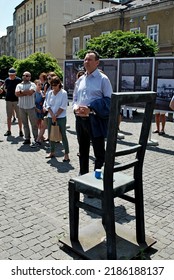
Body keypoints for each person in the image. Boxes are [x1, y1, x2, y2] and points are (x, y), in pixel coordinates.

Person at [72, 50, 113, 175]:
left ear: (97, 62)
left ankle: (97, 176)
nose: (86, 62)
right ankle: (83, 174)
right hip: (80, 119)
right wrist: (75, 108)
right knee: (83, 150)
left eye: (89, 59)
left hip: (95, 120)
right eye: (85, 59)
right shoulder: (80, 80)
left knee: (99, 151)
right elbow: (75, 99)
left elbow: (109, 100)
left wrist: (91, 108)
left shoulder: (103, 79)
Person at [43, 76, 70, 161]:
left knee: (63, 135)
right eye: (52, 85)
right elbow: (47, 104)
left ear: (59, 84)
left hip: (61, 117)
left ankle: (66, 154)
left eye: (55, 85)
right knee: (51, 135)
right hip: (51, 116)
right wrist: (51, 114)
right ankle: (52, 152)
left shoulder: (63, 93)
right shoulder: (50, 92)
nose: (53, 87)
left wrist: (56, 115)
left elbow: (63, 106)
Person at [15, 71, 38, 144]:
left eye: (27, 75)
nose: (25, 76)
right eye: (24, 75)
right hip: (21, 107)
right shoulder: (19, 85)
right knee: (25, 124)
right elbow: (17, 94)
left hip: (31, 107)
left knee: (34, 124)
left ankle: (36, 138)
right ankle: (27, 138)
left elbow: (31, 92)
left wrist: (21, 92)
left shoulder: (33, 84)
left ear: (30, 77)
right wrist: (25, 92)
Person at [3, 68, 23, 137]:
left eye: (12, 75)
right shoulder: (7, 80)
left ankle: (20, 131)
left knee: (19, 117)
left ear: (15, 74)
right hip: (8, 100)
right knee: (9, 117)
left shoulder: (19, 80)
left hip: (17, 100)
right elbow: (5, 88)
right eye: (10, 75)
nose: (11, 76)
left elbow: (21, 89)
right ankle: (9, 130)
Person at [31, 79, 45, 147]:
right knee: (37, 124)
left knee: (41, 124)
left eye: (41, 84)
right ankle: (38, 137)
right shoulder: (34, 93)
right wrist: (36, 109)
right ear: (35, 85)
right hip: (36, 111)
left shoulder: (42, 92)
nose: (40, 86)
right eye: (38, 85)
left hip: (42, 111)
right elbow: (32, 103)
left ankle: (40, 136)